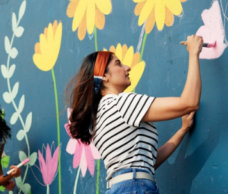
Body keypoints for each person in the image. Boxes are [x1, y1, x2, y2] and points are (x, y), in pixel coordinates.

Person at [66, 35, 205, 194]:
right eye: (118, 63)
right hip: (134, 188)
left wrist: (182, 130)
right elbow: (189, 103)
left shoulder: (99, 117)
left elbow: (148, 162)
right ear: (104, 76)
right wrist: (194, 52)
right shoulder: (121, 103)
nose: (127, 67)